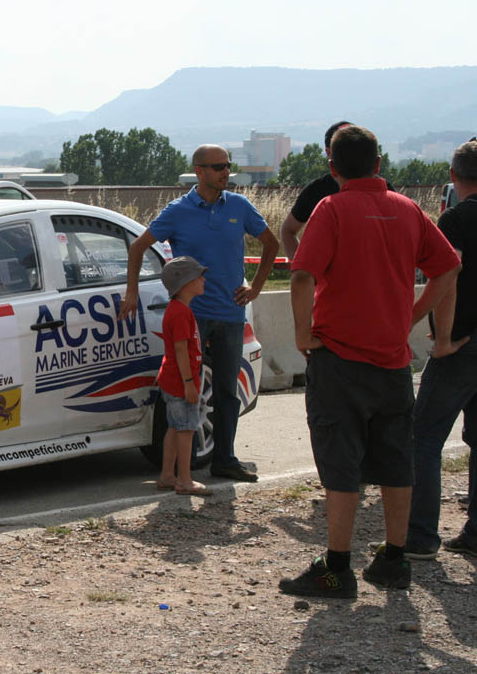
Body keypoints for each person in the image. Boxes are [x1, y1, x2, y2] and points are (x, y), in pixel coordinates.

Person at [279, 125, 461, 599]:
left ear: (333, 168)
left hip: (340, 359)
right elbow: (448, 267)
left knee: (341, 462)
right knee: (397, 460)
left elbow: (301, 275)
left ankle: (337, 567)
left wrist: (302, 334)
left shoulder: (331, 207)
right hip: (393, 362)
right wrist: (412, 317)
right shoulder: (408, 208)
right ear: (379, 164)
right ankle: (394, 560)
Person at [120, 144, 279, 483]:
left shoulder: (239, 206)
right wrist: (131, 292)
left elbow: (271, 243)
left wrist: (256, 288)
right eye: (219, 167)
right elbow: (138, 247)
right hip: (192, 316)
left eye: (228, 165)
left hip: (231, 313)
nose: (226, 173)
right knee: (184, 389)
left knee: (226, 391)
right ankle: (184, 467)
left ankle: (225, 459)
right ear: (199, 171)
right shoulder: (178, 211)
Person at [400, 140, 477, 560]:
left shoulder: (457, 218)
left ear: (453, 176)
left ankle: (420, 536)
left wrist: (442, 338)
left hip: (463, 344)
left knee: (423, 436)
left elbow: (449, 275)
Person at [280, 120, 397, 259]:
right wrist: (300, 264)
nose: (351, 155)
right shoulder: (316, 191)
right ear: (329, 153)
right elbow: (288, 230)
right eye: (343, 149)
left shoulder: (386, 190)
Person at [155, 256, 212, 496]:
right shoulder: (180, 313)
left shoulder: (179, 310)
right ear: (185, 283)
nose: (203, 280)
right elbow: (180, 350)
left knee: (174, 427)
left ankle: (167, 475)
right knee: (187, 429)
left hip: (173, 380)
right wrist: (189, 383)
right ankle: (185, 480)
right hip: (180, 382)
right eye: (199, 277)